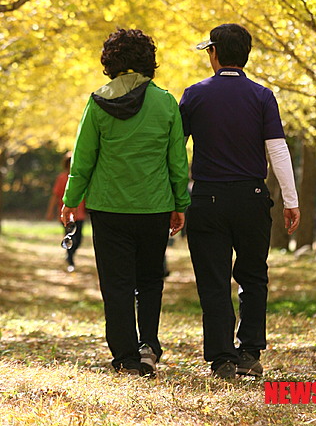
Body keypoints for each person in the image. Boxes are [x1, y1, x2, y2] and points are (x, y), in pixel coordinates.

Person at [61, 28, 190, 377]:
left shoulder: (97, 101)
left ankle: (125, 358)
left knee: (116, 284)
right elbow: (177, 160)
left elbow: (83, 159)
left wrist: (71, 200)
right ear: (148, 60)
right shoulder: (164, 102)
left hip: (108, 207)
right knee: (150, 279)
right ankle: (148, 345)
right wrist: (181, 202)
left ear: (110, 61)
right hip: (154, 206)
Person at [179, 23, 300, 380]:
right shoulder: (262, 96)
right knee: (253, 276)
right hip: (252, 197)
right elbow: (277, 149)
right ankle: (249, 351)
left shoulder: (195, 94)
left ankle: (221, 358)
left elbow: (174, 149)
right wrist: (290, 200)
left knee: (213, 279)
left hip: (207, 199)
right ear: (245, 55)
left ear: (213, 53)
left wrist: (173, 197)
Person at [45, 152, 86, 272]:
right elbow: (55, 195)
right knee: (69, 237)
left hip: (80, 214)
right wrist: (50, 211)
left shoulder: (81, 178)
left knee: (79, 239)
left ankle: (70, 255)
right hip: (66, 214)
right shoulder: (62, 178)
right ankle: (70, 259)